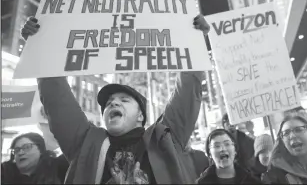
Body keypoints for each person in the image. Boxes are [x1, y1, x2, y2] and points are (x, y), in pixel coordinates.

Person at [20, 15, 210, 184]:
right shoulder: (86, 142)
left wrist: (195, 40)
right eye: (109, 102)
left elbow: (187, 91)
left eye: (124, 100)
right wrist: (39, 46)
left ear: (140, 116)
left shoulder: (165, 138)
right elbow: (57, 99)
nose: (114, 103)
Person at [262, 115, 307, 184]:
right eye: (286, 133)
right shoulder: (273, 178)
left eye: (298, 130)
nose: (292, 136)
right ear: (283, 142)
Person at [196, 129, 262, 184]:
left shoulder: (251, 181)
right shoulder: (202, 182)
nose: (223, 149)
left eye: (227, 144)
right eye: (217, 146)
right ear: (209, 153)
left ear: (235, 150)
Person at [1, 132, 69, 184]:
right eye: (16, 150)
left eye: (27, 147)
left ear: (41, 150)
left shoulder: (58, 167)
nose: (20, 153)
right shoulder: (4, 172)